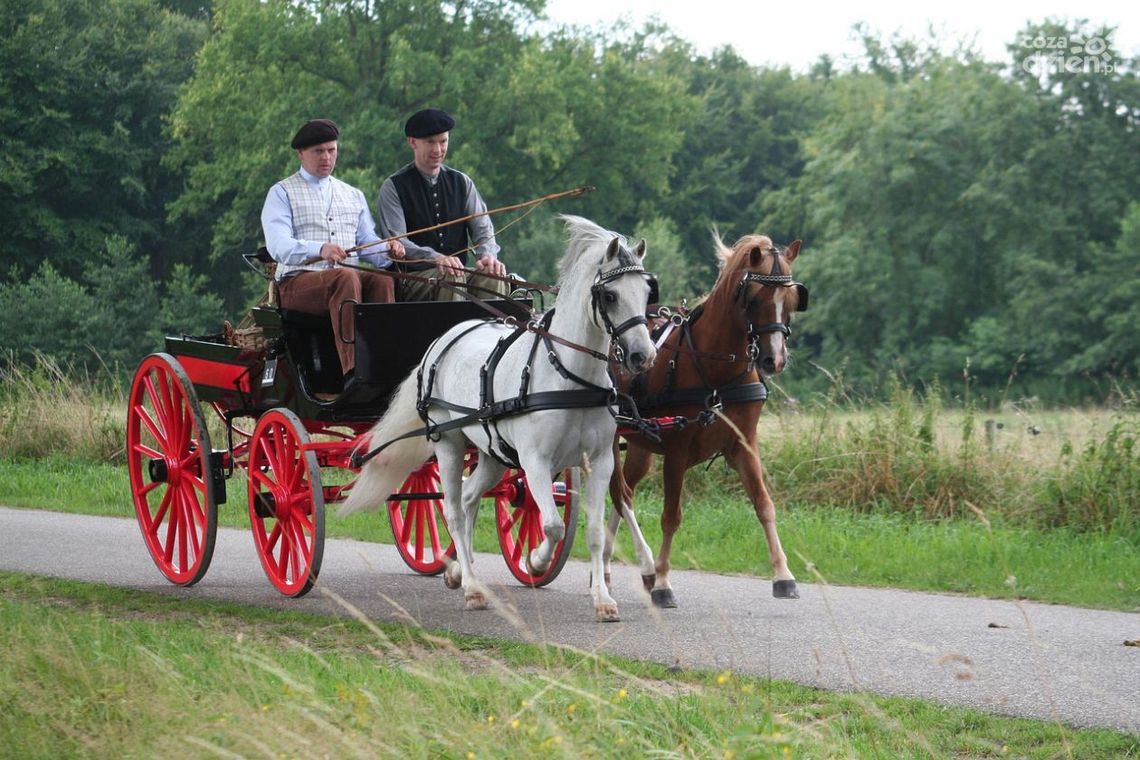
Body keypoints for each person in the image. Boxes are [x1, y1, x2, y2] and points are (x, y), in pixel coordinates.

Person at [261, 118, 406, 395]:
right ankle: (354, 372)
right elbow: (278, 246)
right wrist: (320, 248)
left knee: (381, 280)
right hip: (297, 284)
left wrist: (387, 248)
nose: (326, 157)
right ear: (301, 154)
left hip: (342, 279)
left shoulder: (352, 194)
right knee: (346, 277)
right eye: (319, 151)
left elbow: (366, 244)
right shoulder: (281, 193)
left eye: (331, 150)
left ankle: (386, 367)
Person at [376, 108, 510, 302]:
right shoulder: (393, 187)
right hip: (412, 279)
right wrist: (436, 258)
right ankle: (452, 332)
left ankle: (493, 332)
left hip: (458, 273)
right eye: (430, 142)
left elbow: (483, 230)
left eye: (443, 141)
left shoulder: (462, 182)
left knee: (492, 276)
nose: (438, 150)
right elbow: (398, 241)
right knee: (451, 275)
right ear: (412, 142)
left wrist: (488, 256)